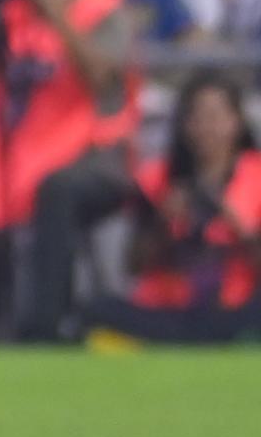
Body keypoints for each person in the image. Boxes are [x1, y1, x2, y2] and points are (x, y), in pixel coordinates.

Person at [0, 0, 141, 341]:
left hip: (96, 154)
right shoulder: (13, 22)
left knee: (58, 191)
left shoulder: (103, 10)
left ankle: (43, 328)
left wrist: (53, 9)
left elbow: (100, 76)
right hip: (23, 153)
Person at [83, 75, 261, 343]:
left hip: (232, 307)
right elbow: (133, 266)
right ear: (185, 125)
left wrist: (238, 225)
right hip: (169, 308)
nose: (206, 128)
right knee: (98, 309)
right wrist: (162, 223)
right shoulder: (158, 179)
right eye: (197, 118)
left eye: (215, 116)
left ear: (236, 122)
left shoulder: (255, 177)